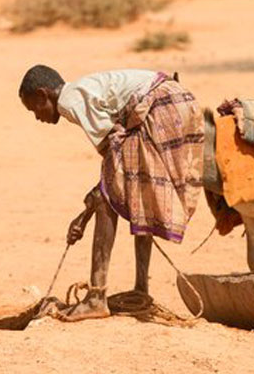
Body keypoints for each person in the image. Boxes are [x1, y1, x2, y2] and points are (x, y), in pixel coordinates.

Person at [19, 66, 203, 321]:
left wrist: (84, 215)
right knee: (139, 192)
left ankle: (96, 297)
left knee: (109, 197)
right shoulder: (81, 91)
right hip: (178, 100)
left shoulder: (71, 101)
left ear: (42, 95)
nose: (37, 117)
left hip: (160, 106)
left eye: (34, 109)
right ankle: (141, 290)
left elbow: (112, 159)